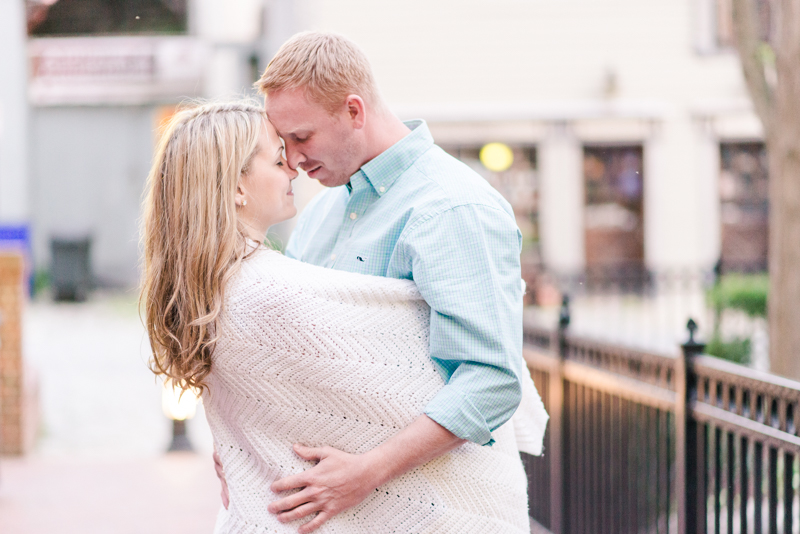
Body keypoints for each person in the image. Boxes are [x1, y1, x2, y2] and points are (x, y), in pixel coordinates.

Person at [140, 101, 546, 533]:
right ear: (236, 187)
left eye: (299, 142)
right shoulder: (275, 293)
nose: (293, 166)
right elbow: (472, 379)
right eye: (279, 158)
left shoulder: (207, 292)